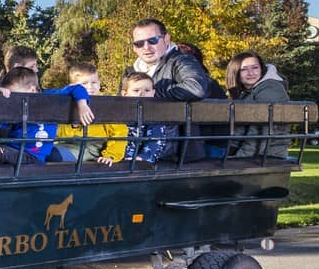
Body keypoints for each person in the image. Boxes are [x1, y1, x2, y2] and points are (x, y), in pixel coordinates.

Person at [121, 19, 211, 159]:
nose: (146, 47)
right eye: (139, 43)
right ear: (134, 47)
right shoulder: (130, 72)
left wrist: (153, 91)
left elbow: (196, 88)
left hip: (176, 155)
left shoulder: (182, 61)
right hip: (133, 151)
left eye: (153, 40)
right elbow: (119, 106)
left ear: (166, 39)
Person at [0, 67, 94, 165]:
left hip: (33, 156)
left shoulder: (49, 98)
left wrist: (82, 105)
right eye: (12, 97)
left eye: (16, 95)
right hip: (14, 150)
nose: (14, 101)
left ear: (33, 90)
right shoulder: (17, 108)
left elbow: (76, 88)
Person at [54, 61, 130, 165]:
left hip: (92, 145)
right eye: (84, 84)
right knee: (37, 151)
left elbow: (119, 133)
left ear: (99, 84)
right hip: (65, 142)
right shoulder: (67, 104)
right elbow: (58, 131)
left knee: (52, 155)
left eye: (94, 82)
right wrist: (74, 126)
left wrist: (111, 155)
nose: (90, 87)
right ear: (73, 87)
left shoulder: (107, 105)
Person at [226, 51, 292, 159]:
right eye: (244, 69)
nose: (251, 73)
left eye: (255, 68)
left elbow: (261, 134)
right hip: (244, 151)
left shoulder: (270, 89)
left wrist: (240, 159)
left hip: (265, 155)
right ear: (235, 72)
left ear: (261, 69)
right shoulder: (249, 92)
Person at [120, 71, 175, 164]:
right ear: (125, 94)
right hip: (117, 156)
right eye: (136, 91)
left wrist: (143, 157)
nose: (142, 94)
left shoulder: (153, 115)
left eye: (147, 90)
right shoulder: (119, 113)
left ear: (153, 92)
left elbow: (156, 138)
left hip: (141, 159)